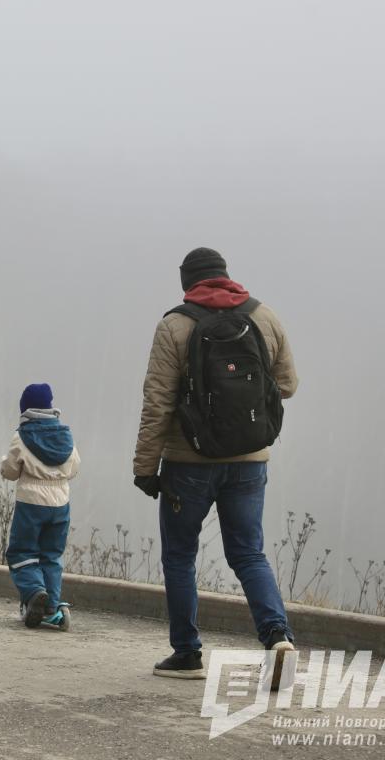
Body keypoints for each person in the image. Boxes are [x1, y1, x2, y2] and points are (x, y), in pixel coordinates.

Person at [133, 248, 299, 685]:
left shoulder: (175, 324)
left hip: (188, 462)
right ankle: (278, 637)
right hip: (249, 462)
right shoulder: (264, 317)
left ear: (188, 282)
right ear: (226, 276)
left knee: (180, 555)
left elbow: (159, 402)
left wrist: (145, 467)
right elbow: (287, 384)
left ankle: (187, 654)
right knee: (248, 552)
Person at [0, 383, 80, 627]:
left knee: (22, 552)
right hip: (60, 504)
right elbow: (74, 467)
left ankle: (35, 592)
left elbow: (11, 471)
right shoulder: (65, 434)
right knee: (52, 556)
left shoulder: (22, 435)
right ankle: (52, 608)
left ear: (25, 408)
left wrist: (3, 463)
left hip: (31, 503)